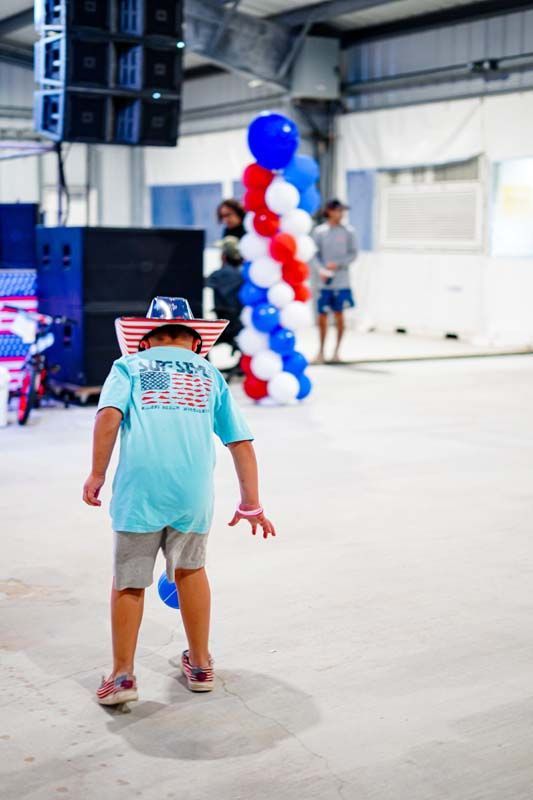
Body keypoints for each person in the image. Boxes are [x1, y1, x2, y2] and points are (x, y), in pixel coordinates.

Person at [82, 296, 275, 706]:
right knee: (190, 571)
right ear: (194, 342)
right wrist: (251, 502)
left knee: (130, 581)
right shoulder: (209, 373)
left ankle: (121, 676)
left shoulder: (129, 367)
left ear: (146, 341)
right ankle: (201, 664)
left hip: (140, 493)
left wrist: (97, 473)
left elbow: (108, 417)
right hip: (192, 495)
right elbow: (239, 441)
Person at [312, 199, 357, 364]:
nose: (341, 214)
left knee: (339, 315)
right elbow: (314, 254)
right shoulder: (320, 232)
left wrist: (338, 264)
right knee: (322, 316)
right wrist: (322, 270)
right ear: (330, 211)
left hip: (342, 281)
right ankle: (321, 351)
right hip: (324, 282)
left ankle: (337, 351)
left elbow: (353, 254)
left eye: (342, 211)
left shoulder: (348, 231)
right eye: (338, 210)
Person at [206, 236, 244, 350]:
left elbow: (199, 283)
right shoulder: (244, 274)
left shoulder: (219, 275)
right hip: (240, 323)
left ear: (224, 256)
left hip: (225, 324)